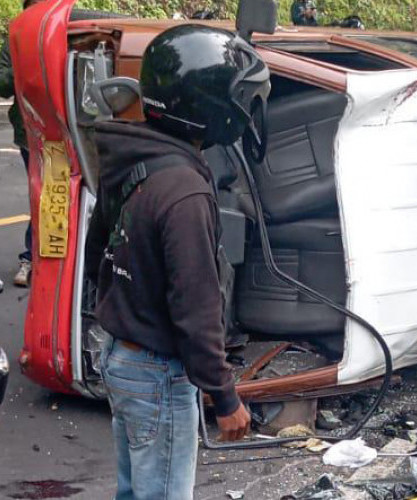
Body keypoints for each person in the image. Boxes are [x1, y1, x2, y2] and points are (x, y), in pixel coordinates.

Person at [85, 25, 270, 499]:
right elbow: (196, 305)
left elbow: (98, 248)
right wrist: (224, 396)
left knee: (137, 490)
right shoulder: (184, 191)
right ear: (207, 105)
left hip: (121, 354)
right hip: (154, 368)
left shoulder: (132, 155)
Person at [0, 0, 42, 288]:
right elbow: (2, 84)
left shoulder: (66, 34)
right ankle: (30, 259)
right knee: (39, 197)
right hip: (29, 133)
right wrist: (23, 64)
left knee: (65, 198)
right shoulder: (13, 40)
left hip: (65, 134)